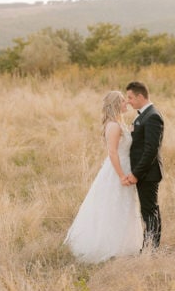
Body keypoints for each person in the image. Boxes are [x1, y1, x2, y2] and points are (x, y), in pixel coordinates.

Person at [64, 91, 143, 263]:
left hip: (125, 167)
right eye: (123, 101)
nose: (126, 104)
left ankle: (123, 243)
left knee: (124, 205)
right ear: (115, 104)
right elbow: (113, 152)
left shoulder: (118, 123)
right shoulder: (113, 126)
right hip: (117, 170)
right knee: (112, 205)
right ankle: (108, 246)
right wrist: (121, 175)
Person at [124, 81, 164, 250]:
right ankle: (150, 246)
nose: (128, 101)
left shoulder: (153, 116)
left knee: (149, 212)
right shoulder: (143, 115)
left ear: (140, 96)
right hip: (144, 173)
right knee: (149, 211)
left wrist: (136, 174)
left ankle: (151, 249)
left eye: (130, 97)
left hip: (148, 174)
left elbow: (151, 150)